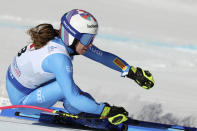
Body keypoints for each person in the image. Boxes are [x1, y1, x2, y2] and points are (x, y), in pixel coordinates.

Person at [6, 9, 154, 129]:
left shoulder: (66, 41)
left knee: (70, 91)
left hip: (23, 86)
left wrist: (129, 70)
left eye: (92, 39)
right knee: (68, 91)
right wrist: (106, 111)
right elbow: (73, 97)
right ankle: (90, 119)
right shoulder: (59, 58)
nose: (90, 45)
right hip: (23, 102)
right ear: (71, 37)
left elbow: (102, 56)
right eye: (87, 40)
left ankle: (86, 113)